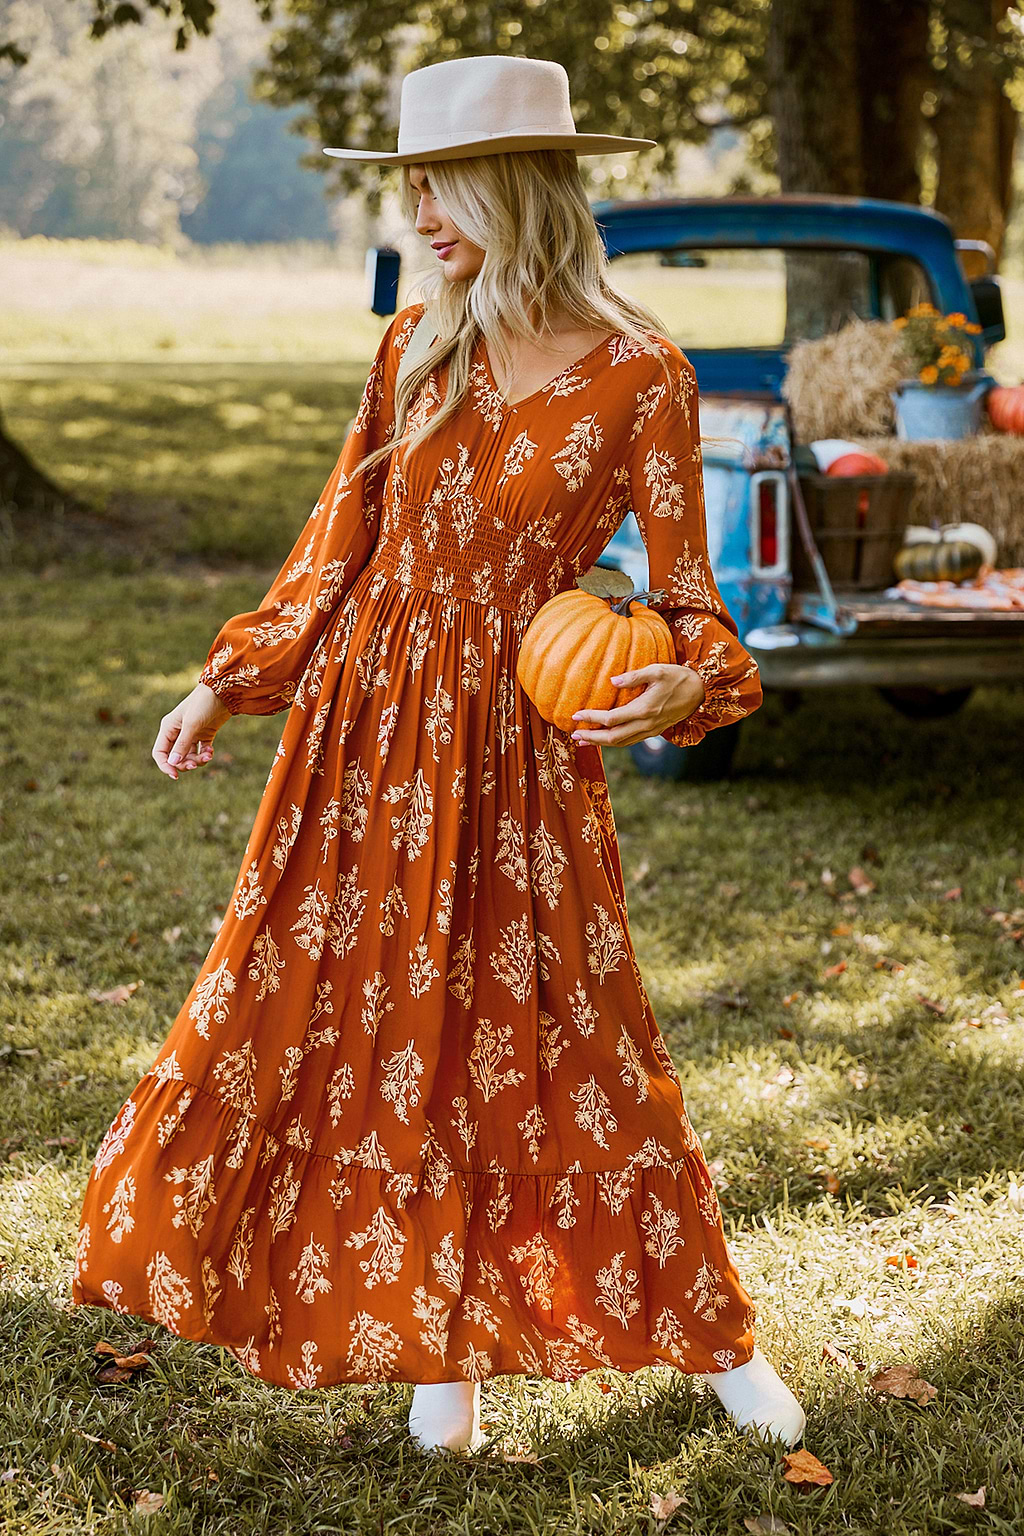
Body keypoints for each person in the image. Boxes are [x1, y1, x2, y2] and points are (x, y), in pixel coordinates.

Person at [70, 54, 806, 1457]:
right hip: (360, 738)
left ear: (522, 186)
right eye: (408, 185)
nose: (421, 210)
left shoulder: (642, 373)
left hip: (517, 756)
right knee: (350, 1023)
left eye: (443, 184)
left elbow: (695, 602)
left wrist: (676, 682)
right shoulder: (417, 341)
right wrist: (229, 684)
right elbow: (339, 541)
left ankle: (720, 1344)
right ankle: (435, 1352)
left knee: (573, 1034)